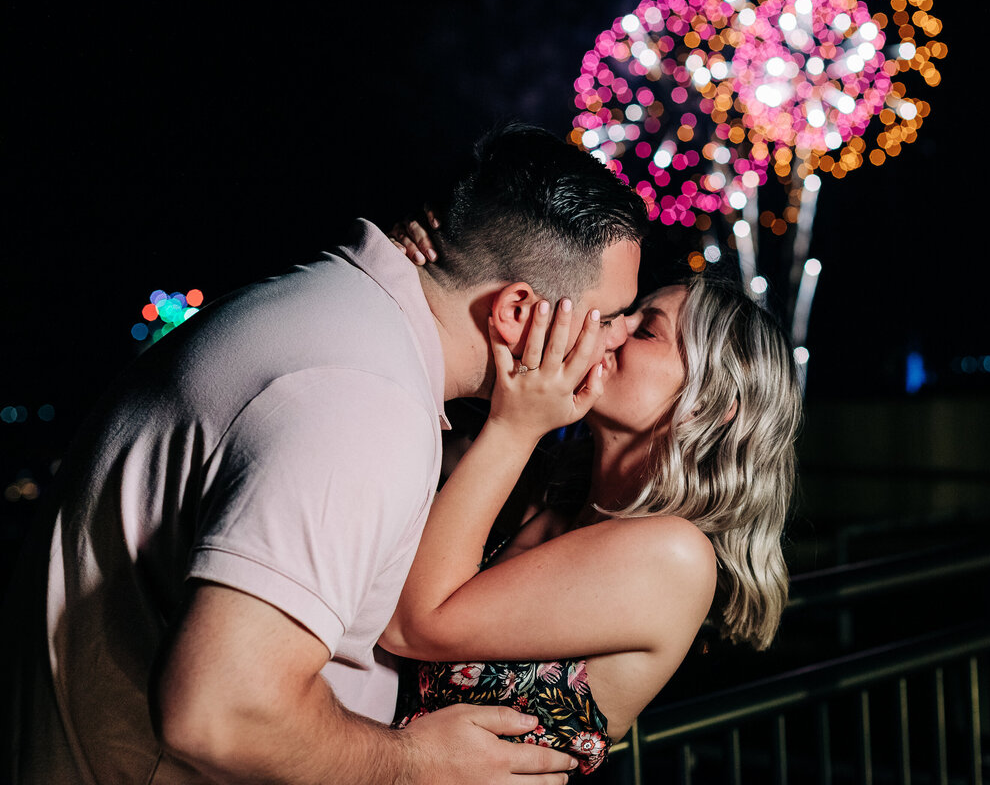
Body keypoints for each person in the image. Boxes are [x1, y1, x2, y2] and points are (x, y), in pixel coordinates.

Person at [0, 123, 646, 784]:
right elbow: (221, 712)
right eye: (611, 317)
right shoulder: (364, 397)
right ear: (518, 312)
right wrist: (414, 764)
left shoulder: (334, 312)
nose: (615, 341)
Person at [375, 248, 804, 774]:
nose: (613, 330)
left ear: (709, 401)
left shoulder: (675, 553)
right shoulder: (550, 495)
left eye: (646, 330)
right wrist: (434, 259)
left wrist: (516, 426)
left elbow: (411, 625)